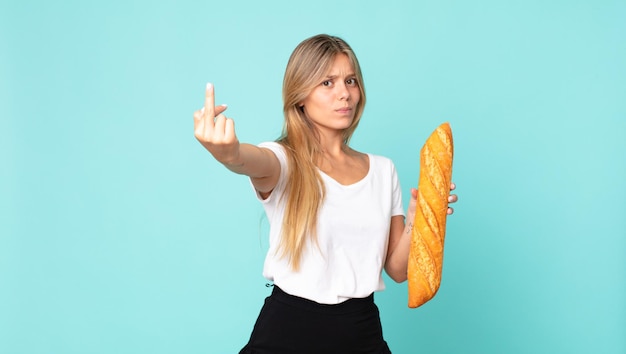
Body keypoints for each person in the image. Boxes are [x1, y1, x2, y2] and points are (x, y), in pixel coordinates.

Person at [193, 34, 458, 354]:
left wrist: (418, 217)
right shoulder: (283, 160)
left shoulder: (382, 170)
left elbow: (399, 271)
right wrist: (229, 153)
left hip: (361, 330)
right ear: (300, 95)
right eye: (327, 83)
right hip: (288, 331)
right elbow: (249, 160)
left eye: (350, 80)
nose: (344, 93)